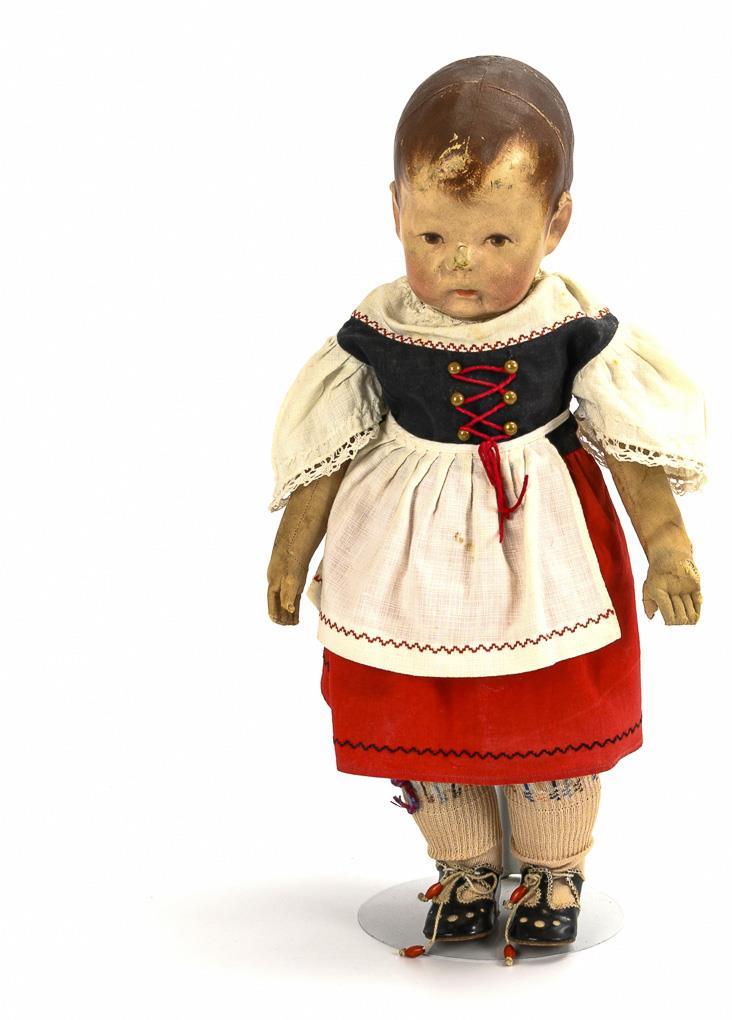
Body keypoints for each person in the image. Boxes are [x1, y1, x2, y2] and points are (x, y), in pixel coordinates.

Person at [266, 55, 707, 964]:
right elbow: (327, 445)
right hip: (403, 550)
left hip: (544, 543)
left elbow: (630, 446)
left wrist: (667, 547)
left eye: (498, 239)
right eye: (432, 235)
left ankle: (553, 870)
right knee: (426, 709)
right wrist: (290, 550)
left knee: (549, 709)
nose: (460, 263)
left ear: (556, 223)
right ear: (395, 212)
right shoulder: (377, 332)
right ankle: (463, 865)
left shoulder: (572, 328)